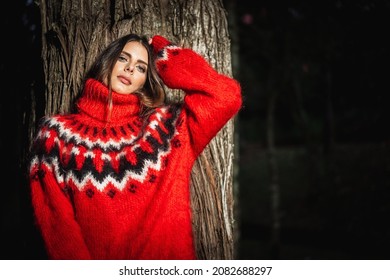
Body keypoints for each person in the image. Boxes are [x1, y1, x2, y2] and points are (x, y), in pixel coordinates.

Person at [28, 33, 242, 260]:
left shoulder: (169, 128)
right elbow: (56, 225)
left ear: (146, 79)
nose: (130, 69)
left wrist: (165, 53)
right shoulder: (56, 136)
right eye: (123, 58)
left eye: (141, 68)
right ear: (106, 61)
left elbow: (225, 96)